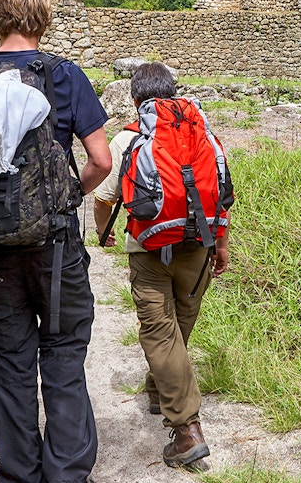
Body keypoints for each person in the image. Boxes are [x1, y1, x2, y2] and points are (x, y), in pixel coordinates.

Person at [0, 0, 111, 483]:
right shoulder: (64, 75)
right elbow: (101, 161)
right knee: (63, 354)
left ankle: (18, 475)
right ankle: (67, 474)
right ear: (44, 21)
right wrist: (66, 197)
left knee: (9, 363)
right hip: (54, 249)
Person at [92, 62, 230, 468]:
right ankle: (158, 388)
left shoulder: (128, 140)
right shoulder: (204, 134)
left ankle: (186, 430)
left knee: (159, 333)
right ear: (172, 93)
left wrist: (104, 234)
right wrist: (221, 244)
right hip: (199, 246)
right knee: (179, 325)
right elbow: (220, 194)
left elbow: (103, 199)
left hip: (148, 250)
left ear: (136, 100)